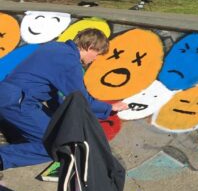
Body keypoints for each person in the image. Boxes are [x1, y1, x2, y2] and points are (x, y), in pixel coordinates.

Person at [0, 28, 128, 171]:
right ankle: (3, 158)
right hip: (17, 103)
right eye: (97, 54)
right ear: (90, 47)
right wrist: (110, 108)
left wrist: (60, 115)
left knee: (52, 130)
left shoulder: (55, 47)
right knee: (56, 143)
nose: (95, 59)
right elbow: (80, 99)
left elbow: (54, 93)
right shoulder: (70, 62)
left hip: (10, 96)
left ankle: (11, 144)